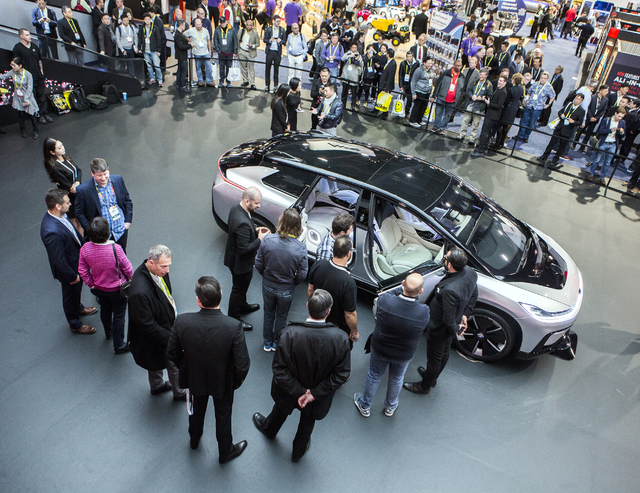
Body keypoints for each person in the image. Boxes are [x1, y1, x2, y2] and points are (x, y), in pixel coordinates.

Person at [252, 289, 350, 462]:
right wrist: (312, 394)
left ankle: (269, 429)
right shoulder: (341, 339)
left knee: (280, 409)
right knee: (308, 421)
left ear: (307, 306)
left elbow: (279, 369)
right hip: (316, 397)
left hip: (288, 390)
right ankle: (298, 451)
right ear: (328, 312)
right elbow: (341, 374)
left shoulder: (288, 333)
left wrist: (300, 391)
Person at [166, 276, 250, 463]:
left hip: (194, 378)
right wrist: (234, 382)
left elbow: (172, 353)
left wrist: (187, 368)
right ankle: (225, 452)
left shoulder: (182, 322)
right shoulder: (233, 326)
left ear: (198, 300)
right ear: (221, 294)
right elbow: (243, 363)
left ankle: (194, 440)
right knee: (223, 415)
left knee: (196, 411)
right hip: (222, 381)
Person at [354, 273, 430, 418]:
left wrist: (402, 287)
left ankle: (365, 405)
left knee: (374, 375)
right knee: (396, 378)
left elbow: (386, 294)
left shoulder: (386, 302)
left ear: (402, 284)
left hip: (381, 348)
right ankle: (390, 406)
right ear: (421, 291)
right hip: (404, 354)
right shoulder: (424, 312)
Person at [403, 248, 478, 394]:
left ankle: (424, 386)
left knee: (434, 358)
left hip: (439, 328)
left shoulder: (450, 290)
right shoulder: (470, 272)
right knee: (443, 352)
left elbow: (448, 320)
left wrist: (456, 329)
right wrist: (465, 314)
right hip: (453, 323)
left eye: (446, 258)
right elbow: (475, 293)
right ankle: (432, 377)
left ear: (449, 265)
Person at [128, 245, 186, 400]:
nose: (167, 270)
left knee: (154, 361)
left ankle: (157, 385)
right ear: (151, 262)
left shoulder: (156, 272)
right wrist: (172, 338)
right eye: (164, 266)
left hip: (161, 329)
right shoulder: (140, 291)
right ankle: (179, 392)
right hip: (158, 334)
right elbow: (147, 325)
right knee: (173, 363)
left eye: (168, 265)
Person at [41, 189, 98, 336]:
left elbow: (73, 234)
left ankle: (78, 308)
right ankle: (74, 323)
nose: (70, 204)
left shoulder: (61, 216)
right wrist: (72, 275)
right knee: (70, 294)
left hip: (76, 263)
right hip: (69, 270)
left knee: (75, 292)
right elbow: (58, 259)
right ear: (58, 206)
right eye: (67, 202)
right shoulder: (51, 231)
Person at [255, 209, 308, 351]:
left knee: (268, 314)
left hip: (268, 285)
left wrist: (265, 275)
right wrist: (293, 282)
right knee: (281, 317)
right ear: (297, 226)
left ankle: (267, 343)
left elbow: (258, 263)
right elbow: (302, 273)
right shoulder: (301, 248)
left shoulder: (268, 240)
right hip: (286, 288)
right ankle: (276, 343)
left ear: (282, 222)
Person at [78, 217, 132, 353]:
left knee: (105, 309)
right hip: (118, 289)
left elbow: (82, 270)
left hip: (99, 288)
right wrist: (131, 279)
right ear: (108, 233)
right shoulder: (116, 249)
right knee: (119, 315)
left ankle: (108, 332)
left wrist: (91, 284)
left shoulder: (85, 249)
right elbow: (127, 268)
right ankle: (119, 344)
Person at [224, 187, 270, 330]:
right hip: (240, 264)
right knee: (238, 290)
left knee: (242, 287)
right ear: (247, 201)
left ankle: (242, 306)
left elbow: (246, 225)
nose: (259, 206)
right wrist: (260, 239)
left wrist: (254, 229)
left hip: (234, 259)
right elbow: (244, 249)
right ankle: (234, 317)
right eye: (257, 203)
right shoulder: (242, 223)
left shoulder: (236, 208)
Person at [308, 235, 358, 345]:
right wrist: (354, 332)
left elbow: (311, 289)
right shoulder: (348, 282)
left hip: (318, 320)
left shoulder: (318, 265)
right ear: (348, 254)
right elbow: (350, 314)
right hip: (337, 329)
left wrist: (313, 308)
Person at [74, 159, 133, 252]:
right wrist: (91, 230)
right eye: (99, 175)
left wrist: (127, 221)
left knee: (121, 255)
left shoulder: (118, 180)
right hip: (100, 235)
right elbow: (79, 212)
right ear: (92, 173)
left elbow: (127, 200)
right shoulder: (83, 190)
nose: (103, 178)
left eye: (105, 174)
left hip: (120, 230)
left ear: (108, 171)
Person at [13, 29, 52, 126]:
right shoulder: (17, 48)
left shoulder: (34, 46)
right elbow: (16, 64)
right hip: (28, 78)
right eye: (27, 35)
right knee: (32, 97)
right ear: (21, 36)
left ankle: (44, 113)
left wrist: (41, 72)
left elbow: (39, 60)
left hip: (38, 76)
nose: (29, 36)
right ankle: (38, 115)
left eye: (29, 34)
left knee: (42, 96)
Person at [43, 138, 82, 233]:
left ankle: (82, 240)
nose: (63, 148)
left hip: (77, 191)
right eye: (59, 148)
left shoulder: (65, 158)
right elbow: (67, 186)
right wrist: (78, 191)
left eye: (62, 146)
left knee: (80, 222)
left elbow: (78, 170)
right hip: (70, 196)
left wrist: (77, 182)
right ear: (52, 152)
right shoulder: (55, 168)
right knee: (72, 223)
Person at [537, 93, 585, 167]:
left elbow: (580, 122)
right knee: (552, 142)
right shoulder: (568, 104)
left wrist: (573, 122)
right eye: (576, 98)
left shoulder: (581, 111)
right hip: (560, 127)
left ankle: (555, 160)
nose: (576, 100)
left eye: (579, 99)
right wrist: (561, 115)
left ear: (581, 101)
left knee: (561, 146)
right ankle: (544, 156)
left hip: (568, 130)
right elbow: (560, 111)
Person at [0, 58, 39, 139]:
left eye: (14, 65)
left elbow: (30, 88)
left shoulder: (28, 74)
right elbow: (3, 76)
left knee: (32, 114)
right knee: (21, 115)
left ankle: (35, 131)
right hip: (18, 97)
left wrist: (26, 99)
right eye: (11, 65)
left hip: (27, 97)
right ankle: (23, 130)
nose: (12, 66)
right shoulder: (12, 72)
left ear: (20, 65)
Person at [471, 75, 509, 157]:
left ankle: (481, 150)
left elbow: (499, 106)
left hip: (493, 115)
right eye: (499, 80)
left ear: (505, 82)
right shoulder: (498, 89)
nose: (499, 82)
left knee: (485, 132)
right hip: (490, 114)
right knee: (487, 132)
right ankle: (484, 148)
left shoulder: (503, 92)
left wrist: (489, 103)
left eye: (501, 81)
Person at [587, 108, 626, 185]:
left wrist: (622, 132)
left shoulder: (622, 122)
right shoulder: (606, 120)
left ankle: (602, 177)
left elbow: (623, 136)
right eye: (619, 116)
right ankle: (591, 174)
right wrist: (610, 130)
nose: (620, 118)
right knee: (597, 160)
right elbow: (601, 131)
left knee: (607, 163)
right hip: (604, 143)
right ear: (615, 113)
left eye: (622, 117)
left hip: (613, 145)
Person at [516, 71, 556, 143]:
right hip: (529, 105)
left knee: (531, 123)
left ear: (547, 79)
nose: (543, 79)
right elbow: (529, 93)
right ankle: (520, 135)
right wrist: (525, 100)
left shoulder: (549, 87)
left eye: (545, 78)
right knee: (523, 121)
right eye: (542, 78)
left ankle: (526, 136)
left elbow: (553, 96)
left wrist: (548, 104)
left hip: (538, 108)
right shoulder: (535, 84)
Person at [430, 59, 465, 135]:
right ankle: (436, 127)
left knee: (447, 115)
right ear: (454, 65)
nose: (459, 67)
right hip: (441, 97)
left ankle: (442, 128)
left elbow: (462, 89)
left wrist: (458, 98)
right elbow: (438, 84)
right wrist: (434, 96)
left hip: (452, 100)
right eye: (457, 66)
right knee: (438, 113)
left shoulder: (462, 76)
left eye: (460, 66)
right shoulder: (445, 73)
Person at [458, 68, 492, 144]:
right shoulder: (475, 82)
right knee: (465, 120)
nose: (480, 76)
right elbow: (468, 90)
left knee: (476, 123)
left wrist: (482, 98)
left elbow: (489, 95)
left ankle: (472, 138)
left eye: (482, 75)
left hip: (479, 106)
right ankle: (461, 134)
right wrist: (471, 96)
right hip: (471, 103)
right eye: (480, 74)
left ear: (486, 75)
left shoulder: (489, 85)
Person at [573, 84, 609, 153]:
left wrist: (596, 118)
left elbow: (603, 110)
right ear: (600, 91)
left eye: (607, 91)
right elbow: (588, 107)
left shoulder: (606, 100)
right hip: (588, 117)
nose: (606, 93)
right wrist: (590, 116)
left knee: (589, 134)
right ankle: (574, 143)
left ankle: (583, 146)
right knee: (580, 131)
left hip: (595, 120)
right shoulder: (592, 97)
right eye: (605, 91)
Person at [492, 73, 524, 150]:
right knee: (506, 126)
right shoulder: (521, 89)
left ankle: (497, 143)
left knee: (500, 125)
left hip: (507, 109)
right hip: (514, 109)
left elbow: (506, 101)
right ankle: (501, 142)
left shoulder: (511, 89)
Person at [184, 17, 213, 87]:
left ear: (201, 24)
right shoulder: (191, 30)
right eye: (197, 24)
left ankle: (209, 81)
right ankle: (200, 80)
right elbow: (184, 34)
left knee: (209, 66)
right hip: (197, 52)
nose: (198, 26)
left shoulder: (205, 30)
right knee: (198, 67)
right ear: (195, 24)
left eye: (199, 24)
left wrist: (209, 50)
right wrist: (189, 41)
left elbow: (208, 41)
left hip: (205, 52)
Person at [408, 56, 436, 128]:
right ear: (424, 63)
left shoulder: (431, 70)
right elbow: (413, 81)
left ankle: (419, 120)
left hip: (427, 92)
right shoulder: (419, 70)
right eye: (428, 63)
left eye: (431, 63)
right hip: (419, 91)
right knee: (417, 106)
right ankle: (412, 120)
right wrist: (413, 93)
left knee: (423, 107)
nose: (430, 65)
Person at [137, 13, 163, 86]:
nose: (147, 21)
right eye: (146, 19)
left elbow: (158, 40)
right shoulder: (142, 28)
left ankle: (160, 79)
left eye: (149, 19)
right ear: (144, 20)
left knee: (157, 66)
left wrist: (159, 50)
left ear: (151, 20)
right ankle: (152, 78)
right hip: (145, 50)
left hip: (153, 50)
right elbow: (139, 38)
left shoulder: (155, 28)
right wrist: (139, 48)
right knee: (149, 66)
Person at [263, 15, 286, 93]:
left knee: (276, 70)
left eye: (279, 21)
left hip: (277, 52)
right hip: (270, 51)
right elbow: (264, 40)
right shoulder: (269, 29)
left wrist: (281, 41)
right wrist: (270, 40)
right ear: (273, 21)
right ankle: (267, 85)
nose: (278, 23)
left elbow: (285, 41)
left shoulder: (282, 30)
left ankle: (276, 85)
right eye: (277, 21)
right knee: (267, 69)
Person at [214, 15, 238, 88]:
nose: (222, 24)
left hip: (230, 52)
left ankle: (228, 81)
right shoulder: (217, 29)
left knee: (229, 67)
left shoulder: (232, 29)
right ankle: (221, 80)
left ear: (226, 21)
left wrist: (235, 51)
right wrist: (218, 49)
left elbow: (235, 41)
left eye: (224, 22)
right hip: (221, 52)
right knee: (221, 67)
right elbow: (215, 40)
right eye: (221, 23)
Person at [238, 19, 260, 89]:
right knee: (243, 67)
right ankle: (245, 80)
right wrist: (238, 51)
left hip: (251, 53)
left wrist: (252, 45)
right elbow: (237, 40)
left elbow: (258, 43)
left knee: (251, 69)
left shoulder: (255, 33)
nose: (248, 26)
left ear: (252, 26)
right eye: (247, 25)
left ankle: (252, 83)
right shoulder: (241, 31)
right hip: (242, 51)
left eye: (250, 25)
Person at [398, 50, 418, 117]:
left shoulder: (416, 64)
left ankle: (407, 112)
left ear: (412, 57)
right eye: (407, 56)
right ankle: (399, 111)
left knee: (409, 100)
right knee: (401, 98)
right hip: (404, 84)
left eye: (410, 56)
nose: (408, 58)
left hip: (411, 85)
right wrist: (400, 85)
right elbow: (400, 75)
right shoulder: (403, 63)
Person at [173, 20, 191, 92]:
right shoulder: (178, 35)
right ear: (181, 26)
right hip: (182, 56)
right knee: (183, 71)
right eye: (184, 25)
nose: (184, 27)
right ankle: (183, 85)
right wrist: (190, 46)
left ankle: (178, 84)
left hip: (180, 56)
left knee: (180, 70)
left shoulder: (178, 34)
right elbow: (181, 46)